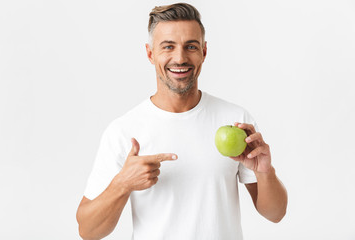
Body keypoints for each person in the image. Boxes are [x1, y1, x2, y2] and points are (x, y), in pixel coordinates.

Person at [76, 3, 288, 240]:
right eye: (168, 46)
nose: (180, 58)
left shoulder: (236, 120)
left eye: (191, 46)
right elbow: (88, 231)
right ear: (150, 53)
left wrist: (265, 172)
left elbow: (276, 213)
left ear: (204, 52)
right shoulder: (124, 131)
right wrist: (122, 184)